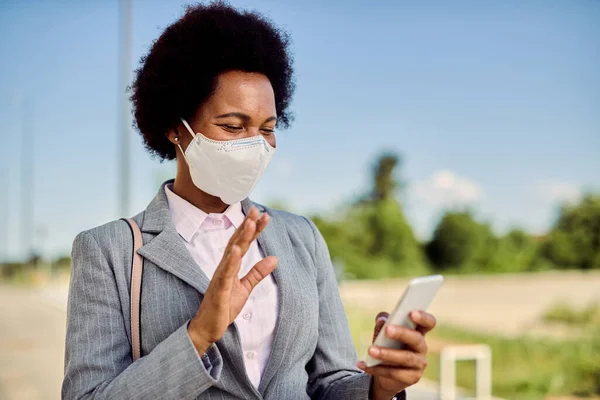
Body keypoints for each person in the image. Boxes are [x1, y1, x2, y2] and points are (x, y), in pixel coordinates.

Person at [62, 2, 437, 399]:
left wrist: (380, 386)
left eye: (268, 129)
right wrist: (198, 335)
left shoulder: (301, 238)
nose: (255, 145)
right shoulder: (108, 252)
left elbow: (330, 384)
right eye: (233, 126)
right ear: (175, 126)